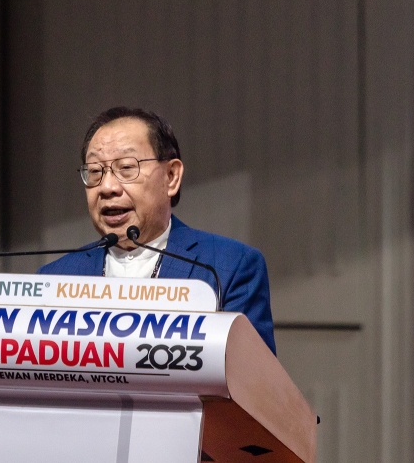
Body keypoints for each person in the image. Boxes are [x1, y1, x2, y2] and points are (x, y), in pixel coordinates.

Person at [39, 107, 276, 353]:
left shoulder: (229, 267)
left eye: (126, 168)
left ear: (171, 177)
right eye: (95, 171)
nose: (107, 187)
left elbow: (253, 374)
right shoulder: (53, 279)